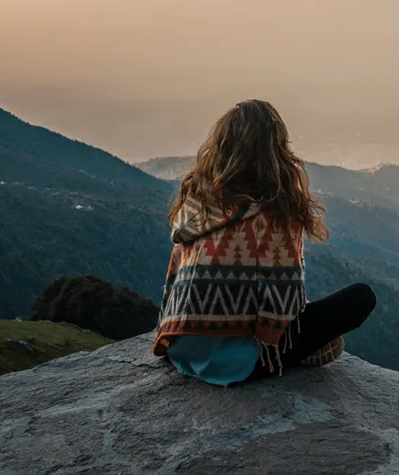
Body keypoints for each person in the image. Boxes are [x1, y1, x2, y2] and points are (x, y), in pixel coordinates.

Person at [153, 99, 377, 385]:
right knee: (360, 298)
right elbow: (284, 306)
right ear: (277, 149)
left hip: (181, 350)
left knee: (328, 340)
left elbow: (174, 282)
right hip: (239, 363)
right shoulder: (276, 210)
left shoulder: (198, 202)